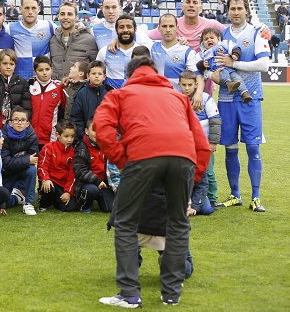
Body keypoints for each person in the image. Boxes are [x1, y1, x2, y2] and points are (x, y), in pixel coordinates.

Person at [94, 56, 210, 308]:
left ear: (130, 74)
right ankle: (171, 294)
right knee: (178, 224)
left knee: (125, 223)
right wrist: (191, 180)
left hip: (142, 156)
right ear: (155, 73)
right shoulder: (178, 97)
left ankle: (129, 293)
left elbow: (101, 128)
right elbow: (202, 144)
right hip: (184, 158)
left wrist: (122, 161)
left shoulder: (120, 94)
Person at [214, 0, 270, 212]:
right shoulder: (222, 34)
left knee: (253, 147)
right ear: (228, 10)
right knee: (230, 148)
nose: (236, 12)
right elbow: (213, 62)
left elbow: (264, 65)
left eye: (239, 8)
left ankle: (256, 197)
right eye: (232, 8)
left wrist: (234, 64)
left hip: (251, 97)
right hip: (227, 99)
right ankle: (234, 194)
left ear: (246, 9)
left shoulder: (257, 33)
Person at [179, 70, 220, 215]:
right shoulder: (176, 99)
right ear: (179, 84)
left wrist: (213, 142)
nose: (187, 88)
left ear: (196, 85)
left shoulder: (205, 98)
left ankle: (212, 198)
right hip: (184, 148)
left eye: (190, 84)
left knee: (208, 172)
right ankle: (191, 200)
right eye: (184, 85)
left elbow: (215, 121)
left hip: (204, 146)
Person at [0, 106, 39, 216]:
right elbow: (5, 162)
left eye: (22, 120)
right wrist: (26, 159)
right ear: (10, 122)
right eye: (16, 119)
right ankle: (17, 198)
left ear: (27, 123)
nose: (19, 123)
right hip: (6, 173)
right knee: (2, 203)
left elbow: (34, 160)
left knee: (31, 169)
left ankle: (28, 202)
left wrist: (25, 161)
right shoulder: (3, 137)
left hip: (22, 172)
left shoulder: (33, 137)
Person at [198, 27, 251, 103]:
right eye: (206, 39)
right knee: (223, 73)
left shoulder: (224, 44)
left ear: (218, 38)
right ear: (203, 42)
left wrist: (235, 55)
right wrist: (202, 64)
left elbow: (235, 47)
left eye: (212, 38)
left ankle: (244, 93)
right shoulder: (203, 53)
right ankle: (229, 83)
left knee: (237, 78)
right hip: (218, 71)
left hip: (230, 69)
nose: (209, 40)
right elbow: (197, 65)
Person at [49, 1, 99, 81]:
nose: (65, 17)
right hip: (57, 90)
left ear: (76, 17)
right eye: (62, 14)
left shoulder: (88, 39)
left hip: (79, 90)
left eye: (69, 14)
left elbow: (95, 67)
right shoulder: (53, 40)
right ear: (58, 16)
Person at [37, 120, 78, 212]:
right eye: (66, 136)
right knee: (49, 188)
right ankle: (44, 202)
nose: (69, 140)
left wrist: (68, 192)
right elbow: (42, 166)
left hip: (63, 185)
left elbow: (73, 174)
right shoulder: (48, 147)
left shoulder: (73, 152)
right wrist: (45, 179)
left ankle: (56, 201)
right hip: (50, 181)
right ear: (58, 135)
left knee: (71, 207)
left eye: (72, 136)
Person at [74, 120, 115, 213]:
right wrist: (96, 180)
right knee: (91, 190)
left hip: (104, 184)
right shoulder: (81, 147)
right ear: (86, 131)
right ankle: (84, 206)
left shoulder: (107, 146)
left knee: (110, 209)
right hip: (87, 184)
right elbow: (80, 171)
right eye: (93, 130)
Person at [27, 55, 66, 149]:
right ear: (34, 71)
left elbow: (64, 110)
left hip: (50, 137)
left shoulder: (58, 89)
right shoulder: (29, 87)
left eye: (47, 69)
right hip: (29, 136)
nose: (44, 73)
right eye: (40, 70)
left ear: (52, 69)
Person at [0, 49, 30, 128]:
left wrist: (22, 124)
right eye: (5, 63)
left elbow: (27, 108)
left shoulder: (22, 83)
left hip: (14, 126)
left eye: (11, 64)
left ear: (15, 65)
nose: (8, 67)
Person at [69, 60, 112, 141]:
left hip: (106, 138)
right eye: (93, 73)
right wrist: (84, 136)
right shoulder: (81, 93)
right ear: (88, 76)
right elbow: (76, 117)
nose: (96, 76)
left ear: (104, 77)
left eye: (99, 74)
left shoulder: (110, 93)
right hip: (86, 138)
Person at [96, 14, 140, 89]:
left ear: (135, 30)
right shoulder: (104, 51)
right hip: (111, 98)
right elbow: (95, 74)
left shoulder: (142, 52)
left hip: (135, 97)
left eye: (129, 27)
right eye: (121, 27)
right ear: (116, 31)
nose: (125, 30)